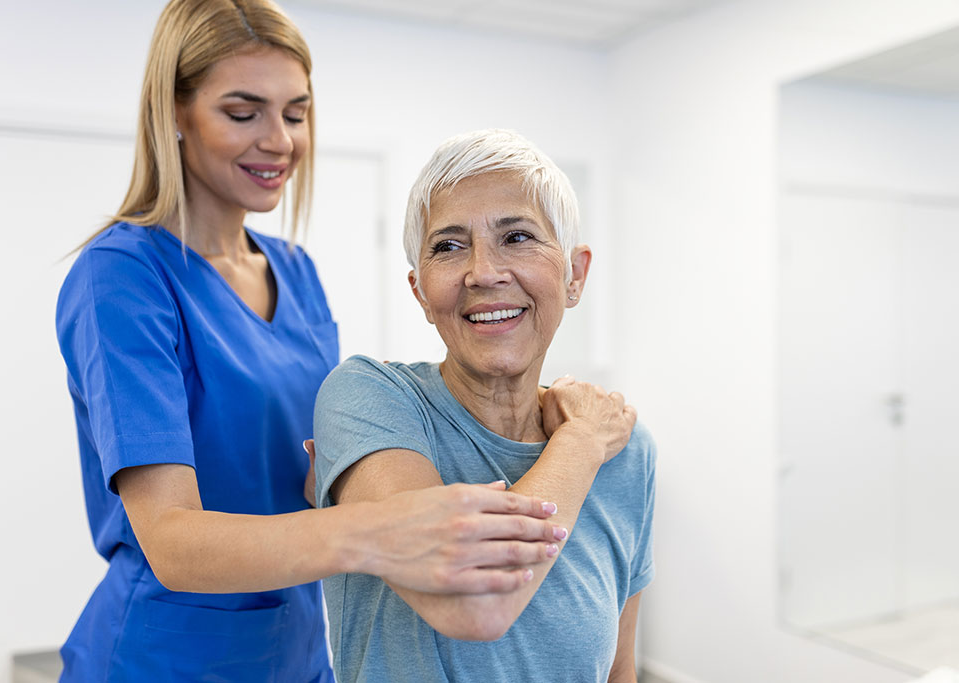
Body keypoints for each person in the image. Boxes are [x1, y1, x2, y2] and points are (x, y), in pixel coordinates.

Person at [54, 3, 572, 680]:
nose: (279, 140)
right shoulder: (123, 275)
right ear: (175, 114)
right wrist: (385, 533)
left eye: (295, 113)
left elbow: (310, 466)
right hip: (165, 655)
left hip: (297, 649)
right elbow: (173, 541)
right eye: (244, 113)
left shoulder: (295, 272)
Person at [314, 129, 656, 682]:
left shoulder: (627, 451)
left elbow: (619, 668)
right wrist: (580, 443)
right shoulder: (370, 399)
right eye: (448, 246)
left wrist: (594, 442)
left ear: (575, 274)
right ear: (420, 291)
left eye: (517, 236)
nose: (484, 272)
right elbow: (474, 598)